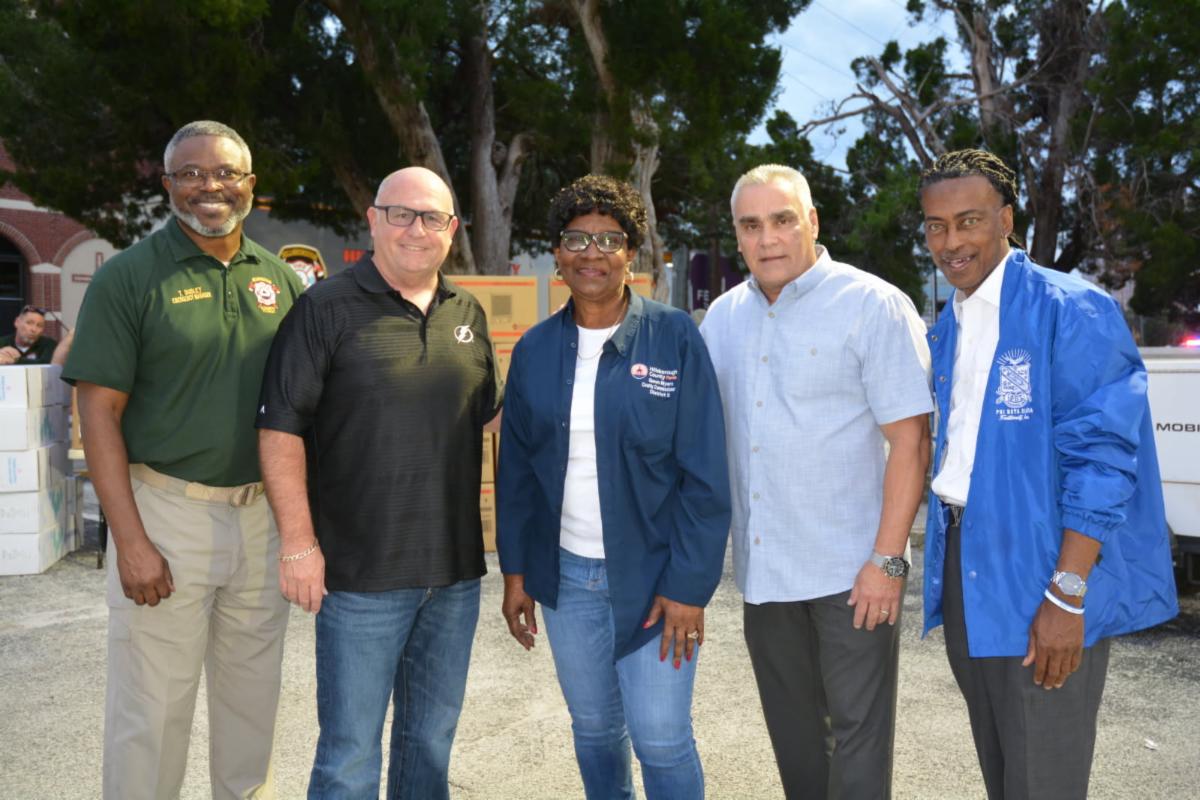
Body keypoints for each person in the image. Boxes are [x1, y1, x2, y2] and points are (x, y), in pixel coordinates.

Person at [918, 148, 1178, 799]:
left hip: (1042, 567)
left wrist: (1067, 593)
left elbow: (1104, 459)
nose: (951, 242)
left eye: (969, 221)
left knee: (1044, 775)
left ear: (1006, 220)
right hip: (964, 556)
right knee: (1003, 763)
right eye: (936, 226)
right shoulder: (950, 325)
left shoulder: (1071, 308)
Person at [62, 120, 303, 800]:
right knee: (152, 713)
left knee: (252, 709)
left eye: (225, 173)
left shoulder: (281, 282)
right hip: (166, 514)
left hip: (261, 519)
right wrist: (130, 541)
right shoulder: (129, 278)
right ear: (167, 185)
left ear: (250, 185)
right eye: (191, 174)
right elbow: (98, 415)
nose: (209, 187)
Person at [256, 166, 501, 799]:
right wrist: (298, 544)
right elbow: (280, 430)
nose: (416, 229)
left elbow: (491, 418)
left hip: (453, 577)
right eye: (401, 214)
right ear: (373, 220)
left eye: (432, 218)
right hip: (360, 578)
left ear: (452, 229)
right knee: (349, 756)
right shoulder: (324, 308)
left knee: (429, 745)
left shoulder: (467, 312)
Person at [699, 164, 932, 800]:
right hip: (765, 576)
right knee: (796, 742)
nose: (767, 238)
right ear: (738, 236)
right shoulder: (721, 319)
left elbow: (910, 442)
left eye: (782, 220)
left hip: (852, 575)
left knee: (858, 745)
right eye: (751, 225)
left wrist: (888, 562)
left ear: (813, 222)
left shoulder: (873, 305)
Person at [498, 175, 730, 800]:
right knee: (596, 729)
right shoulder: (535, 350)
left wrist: (688, 587)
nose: (592, 253)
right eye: (577, 239)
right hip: (567, 579)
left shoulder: (675, 337)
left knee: (661, 738)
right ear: (557, 252)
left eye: (609, 239)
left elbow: (706, 476)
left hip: (656, 580)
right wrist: (516, 573)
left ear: (632, 252)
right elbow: (516, 473)